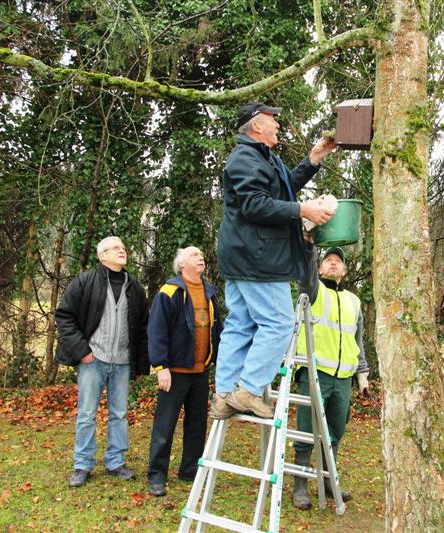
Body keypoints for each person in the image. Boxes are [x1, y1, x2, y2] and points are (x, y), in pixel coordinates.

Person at [210, 102, 338, 419]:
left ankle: (225, 393)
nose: (277, 124)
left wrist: (314, 159)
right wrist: (302, 210)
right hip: (258, 257)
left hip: (246, 255)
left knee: (240, 324)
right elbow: (256, 206)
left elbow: (281, 191)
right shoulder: (244, 159)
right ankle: (249, 390)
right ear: (256, 126)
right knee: (279, 322)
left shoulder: (261, 158)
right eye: (271, 119)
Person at [55, 236, 149, 488]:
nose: (122, 250)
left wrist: (140, 363)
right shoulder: (85, 281)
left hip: (122, 362)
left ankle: (115, 461)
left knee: (119, 414)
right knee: (87, 414)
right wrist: (82, 351)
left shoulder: (135, 287)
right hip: (92, 360)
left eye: (123, 247)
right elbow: (64, 316)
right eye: (116, 248)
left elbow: (142, 328)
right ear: (102, 255)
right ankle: (82, 464)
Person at [292, 245, 370, 509]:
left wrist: (363, 376)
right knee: (306, 429)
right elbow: (305, 275)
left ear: (345, 270)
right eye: (329, 260)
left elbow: (357, 340)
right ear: (321, 267)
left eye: (338, 261)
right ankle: (300, 485)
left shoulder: (354, 301)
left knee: (335, 431)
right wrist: (310, 246)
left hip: (343, 377)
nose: (334, 263)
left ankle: (327, 481)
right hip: (315, 373)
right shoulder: (314, 291)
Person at [145, 246, 222, 497]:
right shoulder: (169, 292)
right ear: (181, 265)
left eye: (201, 255)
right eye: (194, 256)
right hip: (174, 372)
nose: (200, 258)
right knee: (164, 425)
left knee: (197, 424)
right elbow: (156, 331)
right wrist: (161, 367)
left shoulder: (210, 293)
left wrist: (219, 365)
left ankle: (189, 470)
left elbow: (217, 333)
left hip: (200, 372)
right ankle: (157, 475)